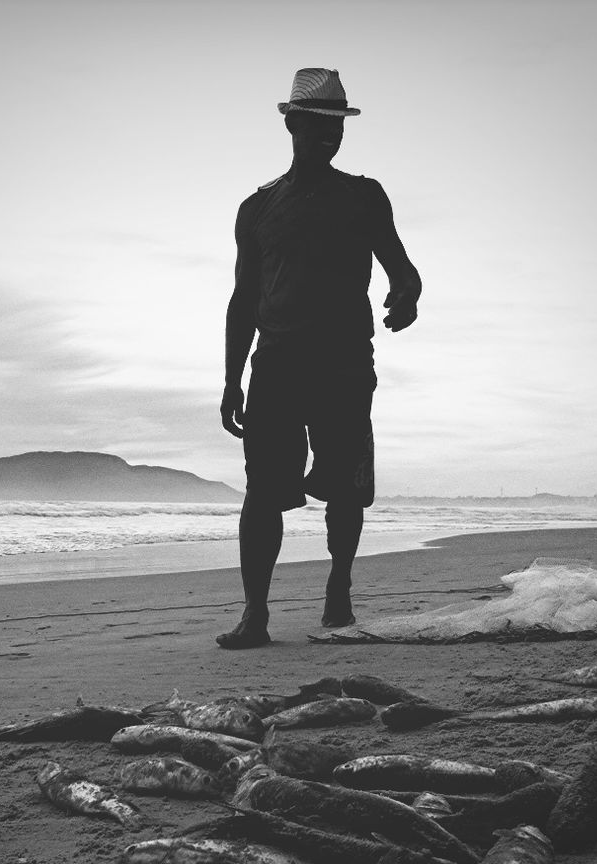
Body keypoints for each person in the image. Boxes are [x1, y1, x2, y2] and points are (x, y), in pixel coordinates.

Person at [216, 67, 422, 650]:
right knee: (262, 494)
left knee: (345, 488)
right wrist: (232, 380)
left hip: (345, 364)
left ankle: (339, 592)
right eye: (317, 126)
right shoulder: (257, 209)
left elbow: (401, 267)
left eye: (336, 128)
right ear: (292, 124)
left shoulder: (363, 196)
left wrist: (406, 294)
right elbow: (243, 298)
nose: (328, 138)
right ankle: (255, 615)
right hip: (275, 365)